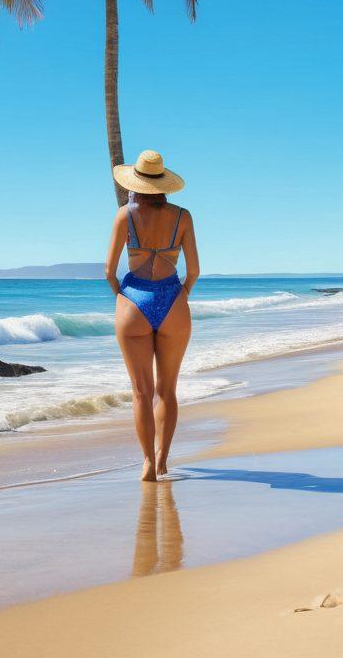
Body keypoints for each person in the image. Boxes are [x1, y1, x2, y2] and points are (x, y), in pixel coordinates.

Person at [105, 150, 199, 482]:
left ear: (136, 183)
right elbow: (195, 271)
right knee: (167, 390)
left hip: (134, 301)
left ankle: (146, 462)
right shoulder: (182, 216)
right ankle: (162, 460)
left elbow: (108, 272)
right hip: (173, 299)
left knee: (141, 391)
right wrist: (182, 294)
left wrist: (124, 296)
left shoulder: (124, 216)